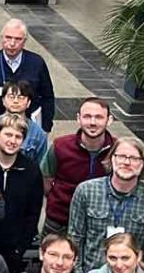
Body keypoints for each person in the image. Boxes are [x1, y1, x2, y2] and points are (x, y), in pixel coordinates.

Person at [66, 136, 144, 273]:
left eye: (134, 158)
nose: (126, 162)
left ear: (143, 164)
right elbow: (75, 240)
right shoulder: (86, 191)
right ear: (112, 159)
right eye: (121, 156)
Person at [39, 97, 115, 231]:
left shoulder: (117, 150)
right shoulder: (60, 146)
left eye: (99, 117)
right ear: (78, 118)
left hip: (101, 225)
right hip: (60, 222)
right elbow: (46, 179)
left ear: (109, 120)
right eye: (87, 116)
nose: (92, 122)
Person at [0, 19, 56, 131]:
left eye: (18, 39)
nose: (12, 43)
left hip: (29, 128)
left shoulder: (37, 63)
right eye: (8, 37)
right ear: (2, 38)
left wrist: (46, 127)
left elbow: (47, 97)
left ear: (24, 41)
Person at [0, 114, 45, 264]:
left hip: (13, 249)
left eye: (18, 137)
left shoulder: (31, 170)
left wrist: (21, 247)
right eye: (8, 134)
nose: (12, 141)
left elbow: (33, 212)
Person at [0, 81, 50, 162]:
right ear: (3, 100)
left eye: (21, 97)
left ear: (28, 103)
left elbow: (41, 165)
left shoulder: (38, 134)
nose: (15, 101)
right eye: (11, 97)